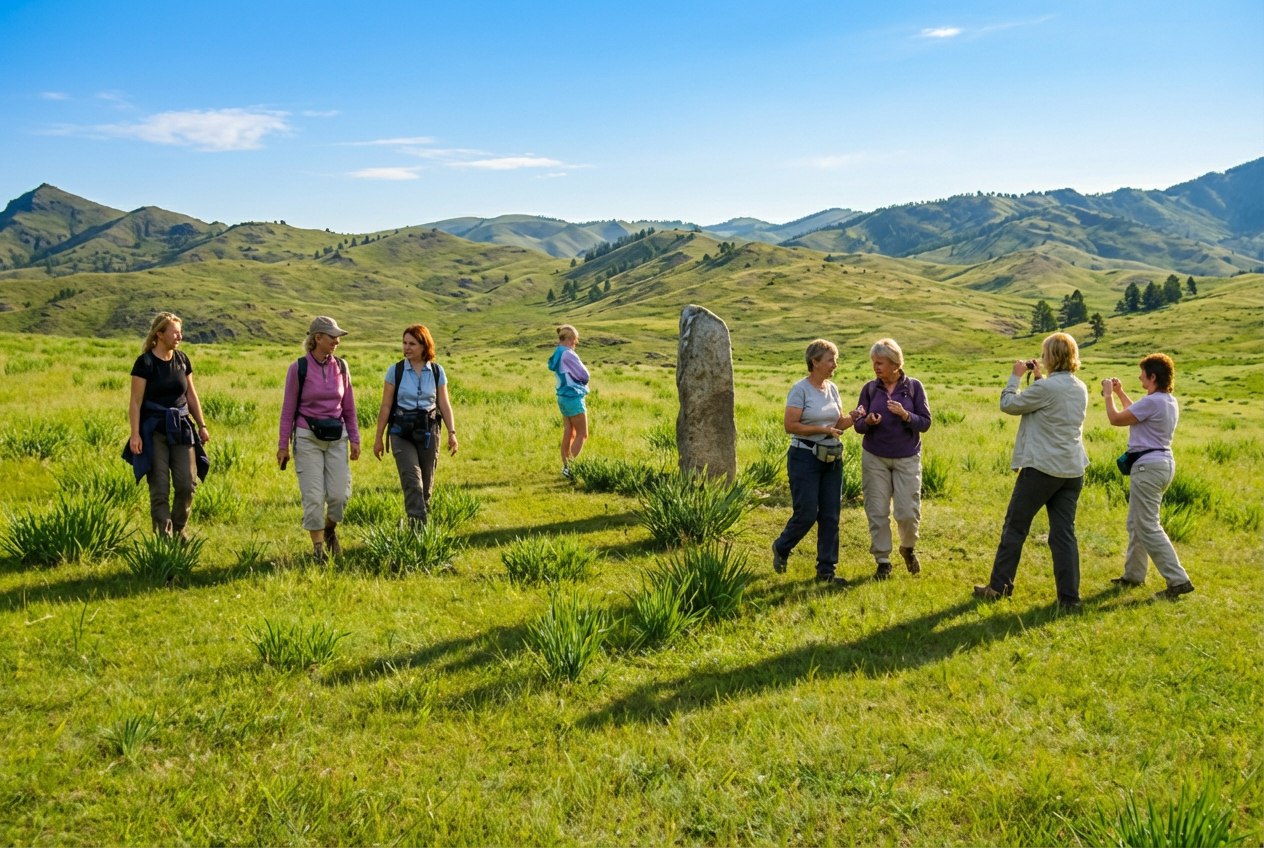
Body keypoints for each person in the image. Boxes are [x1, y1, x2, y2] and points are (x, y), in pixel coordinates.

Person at [974, 332, 1089, 609]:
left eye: (1044, 353)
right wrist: (1039, 379)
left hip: (1041, 468)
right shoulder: (1079, 386)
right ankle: (1069, 598)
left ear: (1051, 356)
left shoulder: (1047, 388)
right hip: (1072, 470)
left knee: (1015, 527)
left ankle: (999, 587)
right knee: (1064, 534)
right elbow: (1050, 404)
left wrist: (1015, 377)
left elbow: (1009, 405)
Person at [1102, 353, 1195, 599]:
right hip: (1162, 463)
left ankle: (1178, 580)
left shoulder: (1153, 402)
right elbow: (1137, 413)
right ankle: (1133, 575)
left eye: (1143, 373)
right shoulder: (1166, 400)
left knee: (1147, 525)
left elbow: (1116, 419)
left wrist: (1108, 394)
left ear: (1153, 376)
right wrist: (1121, 393)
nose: (1139, 377)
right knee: (1136, 523)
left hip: (1148, 467)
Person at [771, 339, 864, 585]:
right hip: (804, 457)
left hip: (831, 457)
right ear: (815, 362)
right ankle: (782, 546)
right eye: (831, 359)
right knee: (807, 513)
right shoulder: (799, 389)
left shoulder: (832, 388)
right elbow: (790, 425)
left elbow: (837, 424)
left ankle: (826, 572)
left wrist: (853, 418)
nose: (835, 364)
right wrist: (820, 429)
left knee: (831, 514)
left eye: (836, 359)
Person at [277, 316, 361, 562]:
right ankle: (318, 552)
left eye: (338, 337)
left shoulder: (342, 367)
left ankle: (330, 529)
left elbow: (349, 408)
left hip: (337, 437)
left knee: (339, 496)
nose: (337, 341)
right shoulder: (298, 369)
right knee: (313, 496)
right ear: (317, 338)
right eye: (332, 336)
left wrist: (354, 439)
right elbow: (287, 410)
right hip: (307, 437)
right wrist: (283, 445)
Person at [853, 338, 932, 580]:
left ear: (895, 364)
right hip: (875, 457)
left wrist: (905, 415)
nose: (876, 367)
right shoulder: (869, 388)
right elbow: (858, 425)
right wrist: (867, 421)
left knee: (907, 511)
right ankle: (883, 561)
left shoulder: (914, 387)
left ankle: (907, 547)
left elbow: (926, 423)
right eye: (874, 363)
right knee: (876, 510)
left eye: (881, 363)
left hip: (907, 458)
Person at [125, 311, 210, 537]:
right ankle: (164, 537)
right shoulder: (145, 363)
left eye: (180, 332)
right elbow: (135, 402)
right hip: (153, 431)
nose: (179, 336)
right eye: (174, 332)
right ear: (160, 334)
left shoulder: (182, 360)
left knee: (187, 484)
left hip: (181, 428)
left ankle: (180, 530)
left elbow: (191, 395)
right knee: (160, 488)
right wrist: (135, 435)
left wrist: (201, 425)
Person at [372, 324, 459, 526]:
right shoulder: (396, 371)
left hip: (429, 431)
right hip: (401, 432)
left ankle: (419, 525)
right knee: (412, 480)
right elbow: (385, 406)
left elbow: (444, 404)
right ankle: (417, 529)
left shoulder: (437, 371)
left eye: (412, 343)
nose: (407, 347)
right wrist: (378, 438)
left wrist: (452, 433)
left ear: (424, 345)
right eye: (404, 343)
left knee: (426, 485)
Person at [548, 324, 590, 478]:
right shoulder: (568, 354)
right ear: (571, 338)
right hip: (573, 396)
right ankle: (570, 468)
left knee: (568, 432)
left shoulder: (557, 353)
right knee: (582, 433)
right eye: (576, 339)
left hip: (562, 397)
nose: (576, 343)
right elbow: (584, 375)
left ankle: (566, 466)